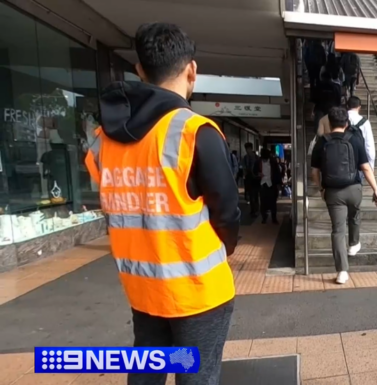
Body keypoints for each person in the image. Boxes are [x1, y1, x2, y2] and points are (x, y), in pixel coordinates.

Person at [84, 22, 240, 385]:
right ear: (192, 71)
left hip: (142, 289)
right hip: (199, 292)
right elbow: (227, 212)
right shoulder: (194, 131)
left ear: (140, 71)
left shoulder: (101, 141)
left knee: (146, 376)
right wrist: (224, 247)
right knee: (197, 378)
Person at [311, 107, 377, 284]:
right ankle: (354, 243)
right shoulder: (355, 139)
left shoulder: (322, 142)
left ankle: (342, 271)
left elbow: (314, 172)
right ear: (346, 123)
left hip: (333, 193)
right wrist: (376, 190)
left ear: (330, 122)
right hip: (354, 189)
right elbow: (366, 168)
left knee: (337, 230)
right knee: (355, 214)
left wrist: (321, 188)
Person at [347, 96, 376, 172]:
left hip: (341, 160)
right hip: (359, 162)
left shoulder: (340, 120)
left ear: (347, 106)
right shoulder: (365, 122)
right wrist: (371, 165)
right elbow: (369, 145)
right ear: (359, 107)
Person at [254, 148, 282, 224]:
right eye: (263, 159)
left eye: (266, 159)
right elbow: (254, 172)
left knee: (273, 202)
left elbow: (277, 173)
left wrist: (279, 184)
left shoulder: (273, 162)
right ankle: (264, 217)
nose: (264, 160)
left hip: (272, 184)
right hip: (262, 184)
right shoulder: (258, 162)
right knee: (263, 202)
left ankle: (274, 218)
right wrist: (258, 174)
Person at [243, 142, 260, 216]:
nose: (247, 150)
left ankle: (255, 209)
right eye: (246, 149)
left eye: (248, 149)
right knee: (251, 194)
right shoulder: (245, 158)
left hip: (255, 178)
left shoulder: (256, 157)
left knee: (255, 194)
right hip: (249, 178)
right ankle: (253, 209)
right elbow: (244, 167)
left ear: (251, 148)